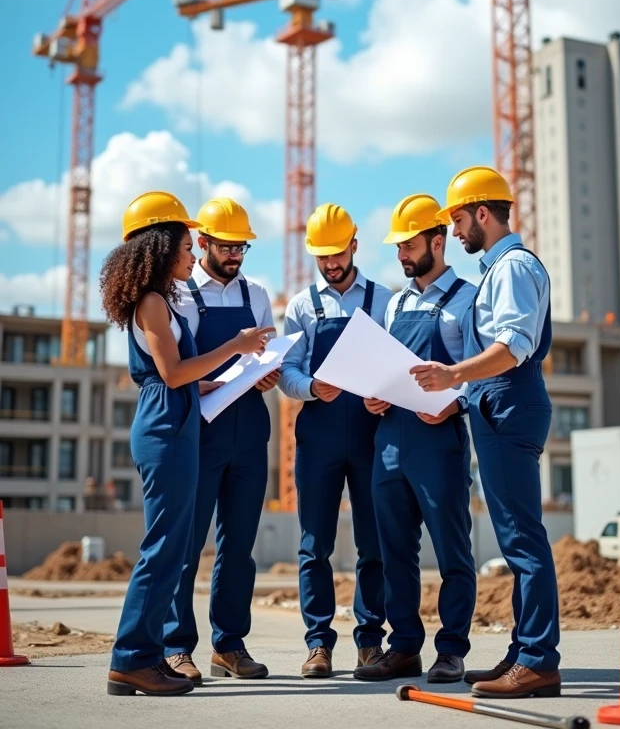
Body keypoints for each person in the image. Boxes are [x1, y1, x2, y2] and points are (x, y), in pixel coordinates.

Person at [101, 191, 273, 697]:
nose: (189, 255)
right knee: (166, 548)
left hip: (181, 417)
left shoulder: (159, 300)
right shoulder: (155, 302)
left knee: (172, 545)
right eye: (183, 245)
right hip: (168, 424)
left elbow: (173, 375)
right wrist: (237, 347)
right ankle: (136, 658)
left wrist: (213, 382)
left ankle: (144, 657)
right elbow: (172, 373)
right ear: (160, 248)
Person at [411, 167, 561, 699]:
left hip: (509, 399)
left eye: (456, 219)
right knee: (517, 536)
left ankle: (539, 658)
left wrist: (453, 375)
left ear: (481, 213)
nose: (453, 231)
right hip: (498, 402)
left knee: (523, 540)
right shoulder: (501, 267)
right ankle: (525, 653)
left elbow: (514, 345)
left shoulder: (513, 267)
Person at [355, 194, 477, 684]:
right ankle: (403, 646)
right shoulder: (396, 302)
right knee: (394, 552)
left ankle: (451, 650)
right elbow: (383, 366)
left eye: (409, 245)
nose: (403, 255)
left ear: (438, 240)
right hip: (389, 437)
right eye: (399, 247)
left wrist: (456, 401)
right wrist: (372, 397)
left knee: (452, 549)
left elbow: (481, 370)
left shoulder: (468, 299)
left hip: (438, 437)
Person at [163, 197, 279, 682]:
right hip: (204, 429)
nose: (235, 255)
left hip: (250, 428)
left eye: (242, 247)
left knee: (239, 548)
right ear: (204, 242)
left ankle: (229, 645)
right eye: (227, 246)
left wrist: (269, 373)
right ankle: (175, 646)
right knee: (187, 544)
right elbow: (178, 366)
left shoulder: (257, 295)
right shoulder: (181, 294)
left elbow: (265, 354)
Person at [280, 203, 392, 678]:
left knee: (374, 544)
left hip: (371, 434)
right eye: (322, 256)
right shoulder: (302, 305)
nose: (331, 264)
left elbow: (399, 362)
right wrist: (309, 387)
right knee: (314, 545)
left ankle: (370, 642)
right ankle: (318, 644)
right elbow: (285, 371)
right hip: (319, 435)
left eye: (337, 253)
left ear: (354, 245)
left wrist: (384, 394)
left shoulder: (385, 300)